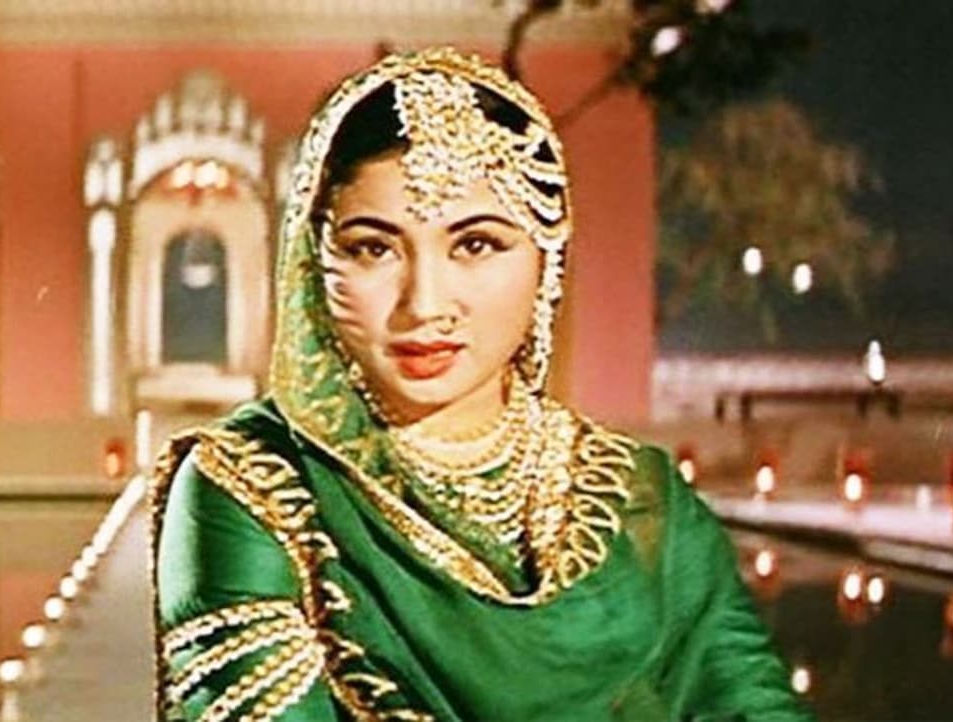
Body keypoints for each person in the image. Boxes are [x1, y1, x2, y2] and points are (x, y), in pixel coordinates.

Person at [150, 47, 811, 722]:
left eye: (475, 245)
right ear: (315, 263)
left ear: (545, 261)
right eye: (374, 248)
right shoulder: (253, 489)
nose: (425, 305)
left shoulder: (644, 501)